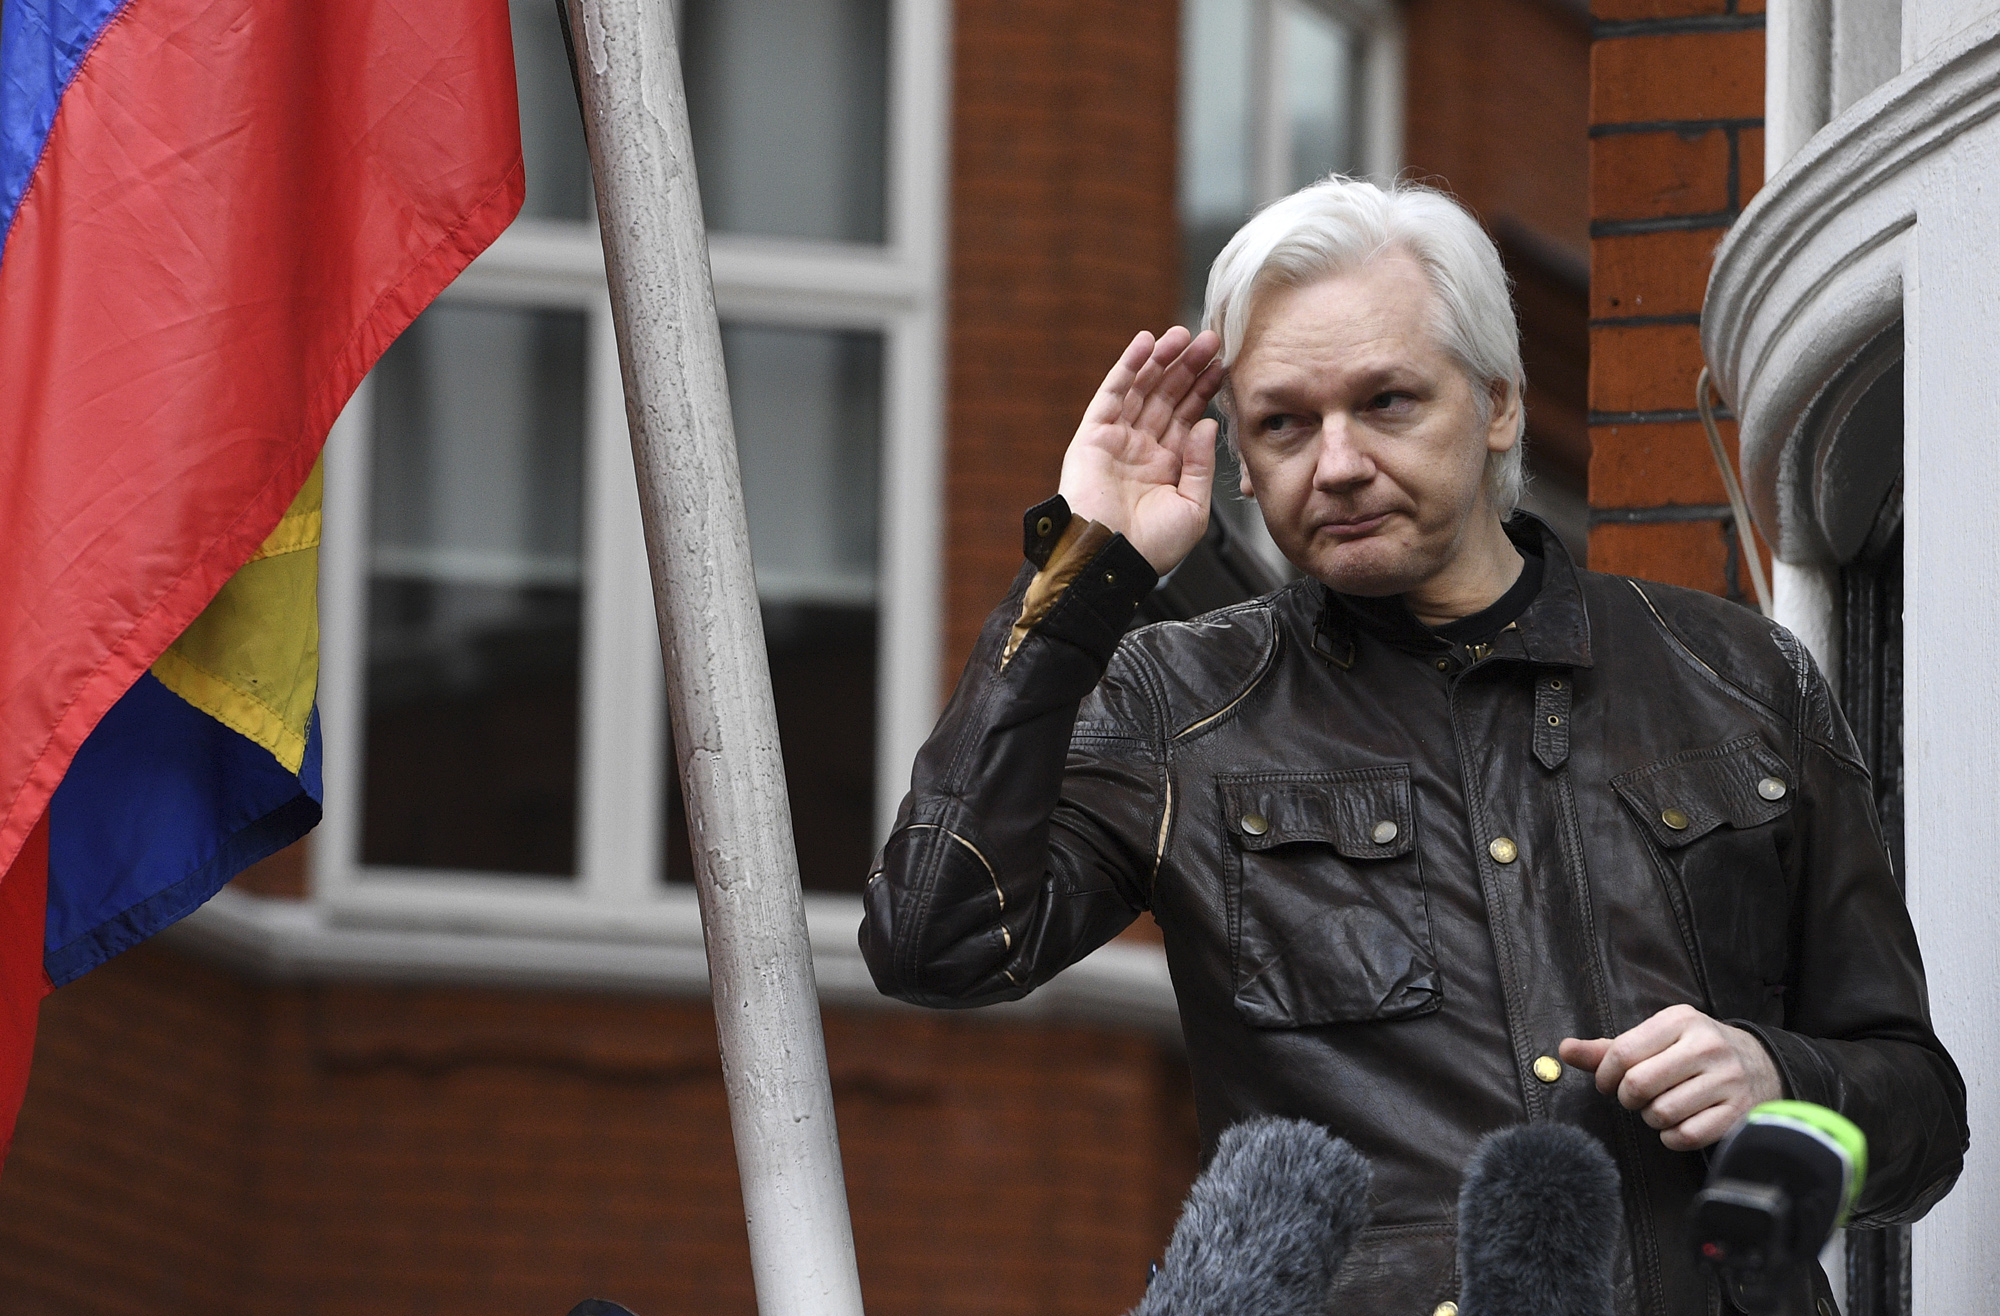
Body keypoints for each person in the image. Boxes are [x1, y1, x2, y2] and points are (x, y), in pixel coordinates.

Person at [858, 177, 1966, 1314]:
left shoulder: (1736, 675)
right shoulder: (1174, 699)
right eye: (1281, 421)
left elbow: (1921, 1115)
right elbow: (930, 939)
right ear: (1236, 452)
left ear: (1494, 402)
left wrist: (1778, 1079)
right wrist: (1085, 566)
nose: (1333, 462)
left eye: (1385, 401)